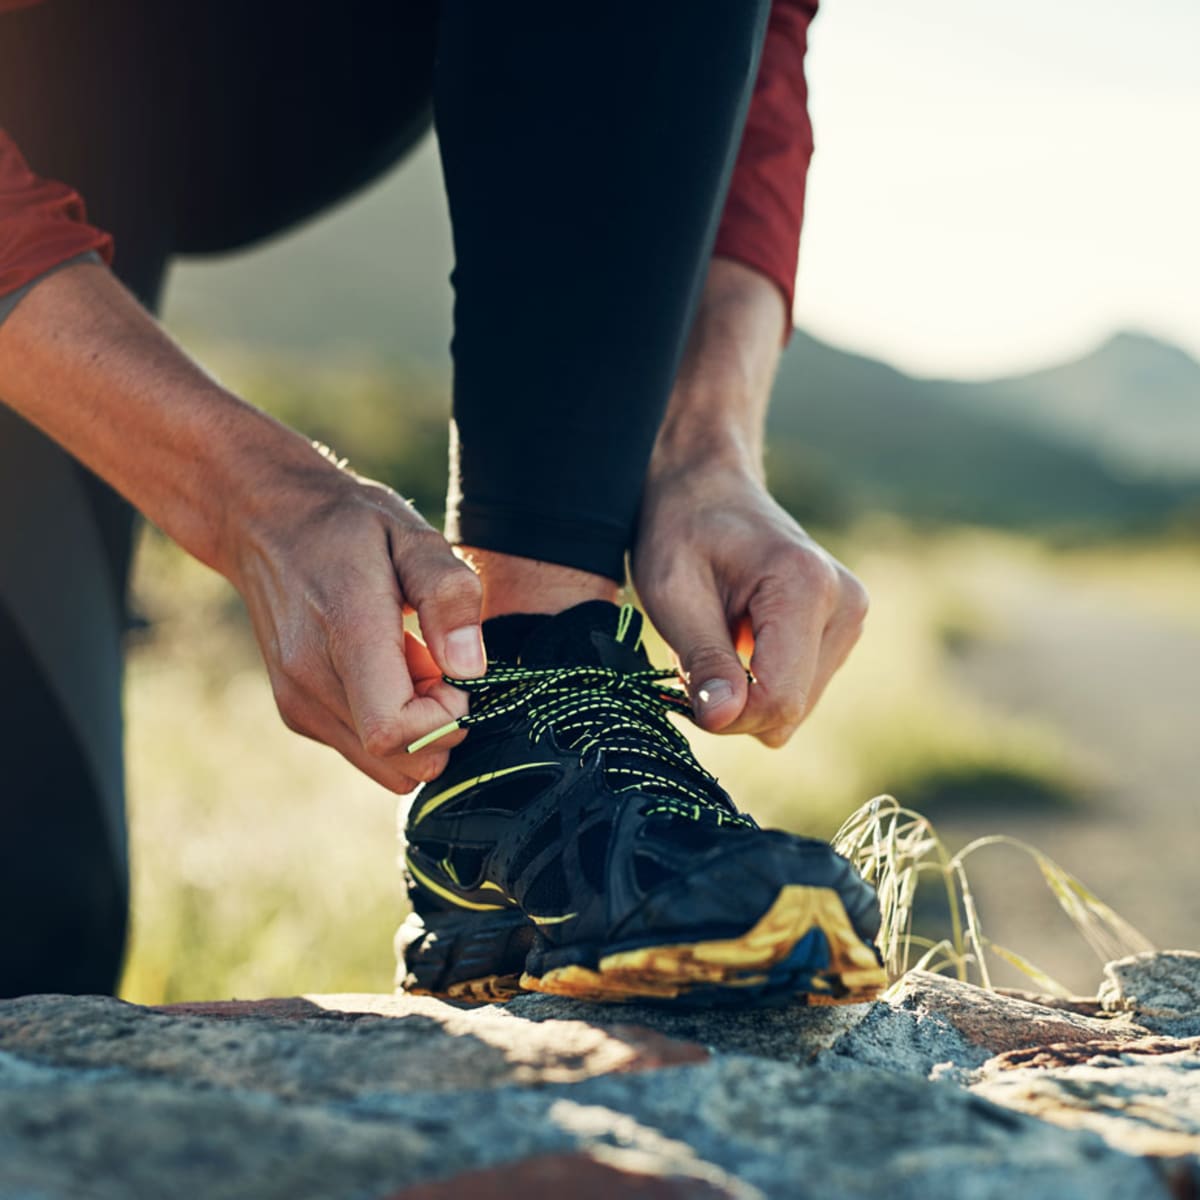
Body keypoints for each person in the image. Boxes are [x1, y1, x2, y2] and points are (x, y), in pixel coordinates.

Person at [0, 0, 882, 1005]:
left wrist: (706, 441)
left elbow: (752, 46)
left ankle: (531, 731)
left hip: (295, 69)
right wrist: (241, 496)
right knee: (31, 917)